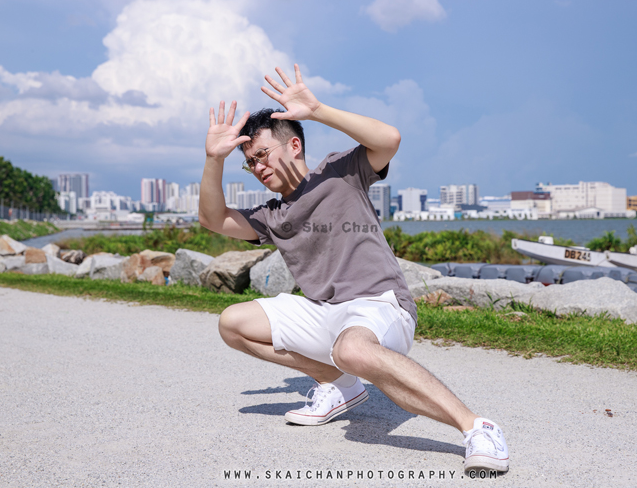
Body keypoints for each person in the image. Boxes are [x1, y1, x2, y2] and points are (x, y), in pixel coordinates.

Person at [198, 65, 509, 473]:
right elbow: (213, 219)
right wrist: (213, 159)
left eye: (262, 155)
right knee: (232, 322)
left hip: (379, 306)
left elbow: (390, 139)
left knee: (352, 348)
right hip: (325, 311)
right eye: (249, 162)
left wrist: (318, 109)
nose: (257, 167)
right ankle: (341, 384)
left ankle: (477, 427)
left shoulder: (340, 171)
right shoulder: (270, 215)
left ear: (293, 145)